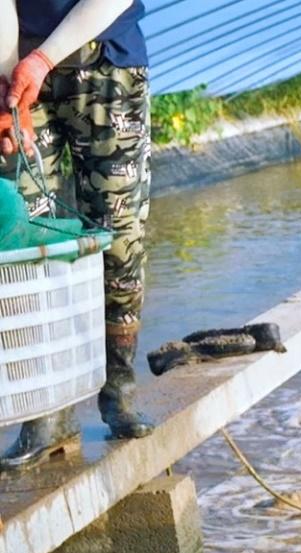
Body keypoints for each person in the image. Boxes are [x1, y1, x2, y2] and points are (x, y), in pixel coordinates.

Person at [0, 0, 153, 470]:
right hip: (21, 68)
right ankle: (46, 413)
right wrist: (8, 84)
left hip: (105, 58)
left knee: (119, 236)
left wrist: (45, 58)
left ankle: (118, 390)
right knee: (28, 239)